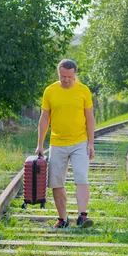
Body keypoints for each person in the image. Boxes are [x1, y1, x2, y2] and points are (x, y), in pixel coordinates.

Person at [35, 59, 95, 229]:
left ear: (75, 74)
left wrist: (91, 143)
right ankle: (63, 219)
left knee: (81, 178)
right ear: (58, 74)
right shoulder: (50, 91)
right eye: (63, 76)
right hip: (57, 143)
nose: (66, 79)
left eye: (69, 76)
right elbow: (44, 118)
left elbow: (90, 117)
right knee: (56, 182)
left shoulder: (84, 90)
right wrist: (40, 144)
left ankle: (82, 216)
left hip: (79, 141)